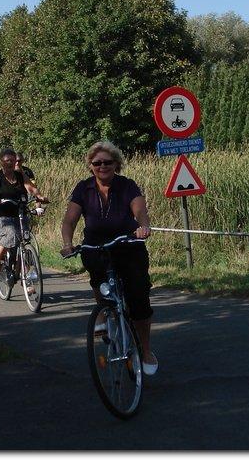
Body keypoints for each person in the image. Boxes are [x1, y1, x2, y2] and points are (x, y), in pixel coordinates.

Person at [59, 140, 157, 376]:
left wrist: (143, 227)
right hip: (96, 245)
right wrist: (67, 243)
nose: (102, 166)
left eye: (107, 162)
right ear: (91, 165)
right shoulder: (83, 188)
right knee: (98, 279)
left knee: (138, 298)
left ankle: (145, 351)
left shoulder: (128, 186)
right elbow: (69, 219)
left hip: (127, 245)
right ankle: (104, 310)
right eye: (97, 162)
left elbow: (140, 210)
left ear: (116, 164)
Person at [0, 148, 49, 273]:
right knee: (11, 233)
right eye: (7, 160)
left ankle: (25, 277)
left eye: (13, 160)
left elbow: (31, 188)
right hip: (1, 215)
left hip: (19, 212)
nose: (10, 163)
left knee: (25, 239)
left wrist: (39, 196)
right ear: (1, 162)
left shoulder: (20, 175)